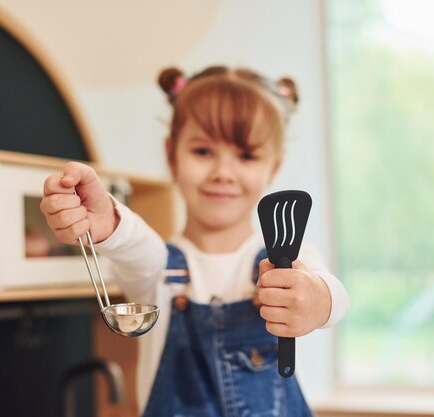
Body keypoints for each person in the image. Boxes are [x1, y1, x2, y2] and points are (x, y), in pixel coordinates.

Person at [40, 65, 349, 416]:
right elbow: (136, 245)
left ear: (274, 167)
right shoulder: (158, 270)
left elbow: (333, 296)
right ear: (172, 155)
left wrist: (315, 299)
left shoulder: (290, 260)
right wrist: (109, 222)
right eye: (203, 152)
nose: (222, 173)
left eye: (246, 155)